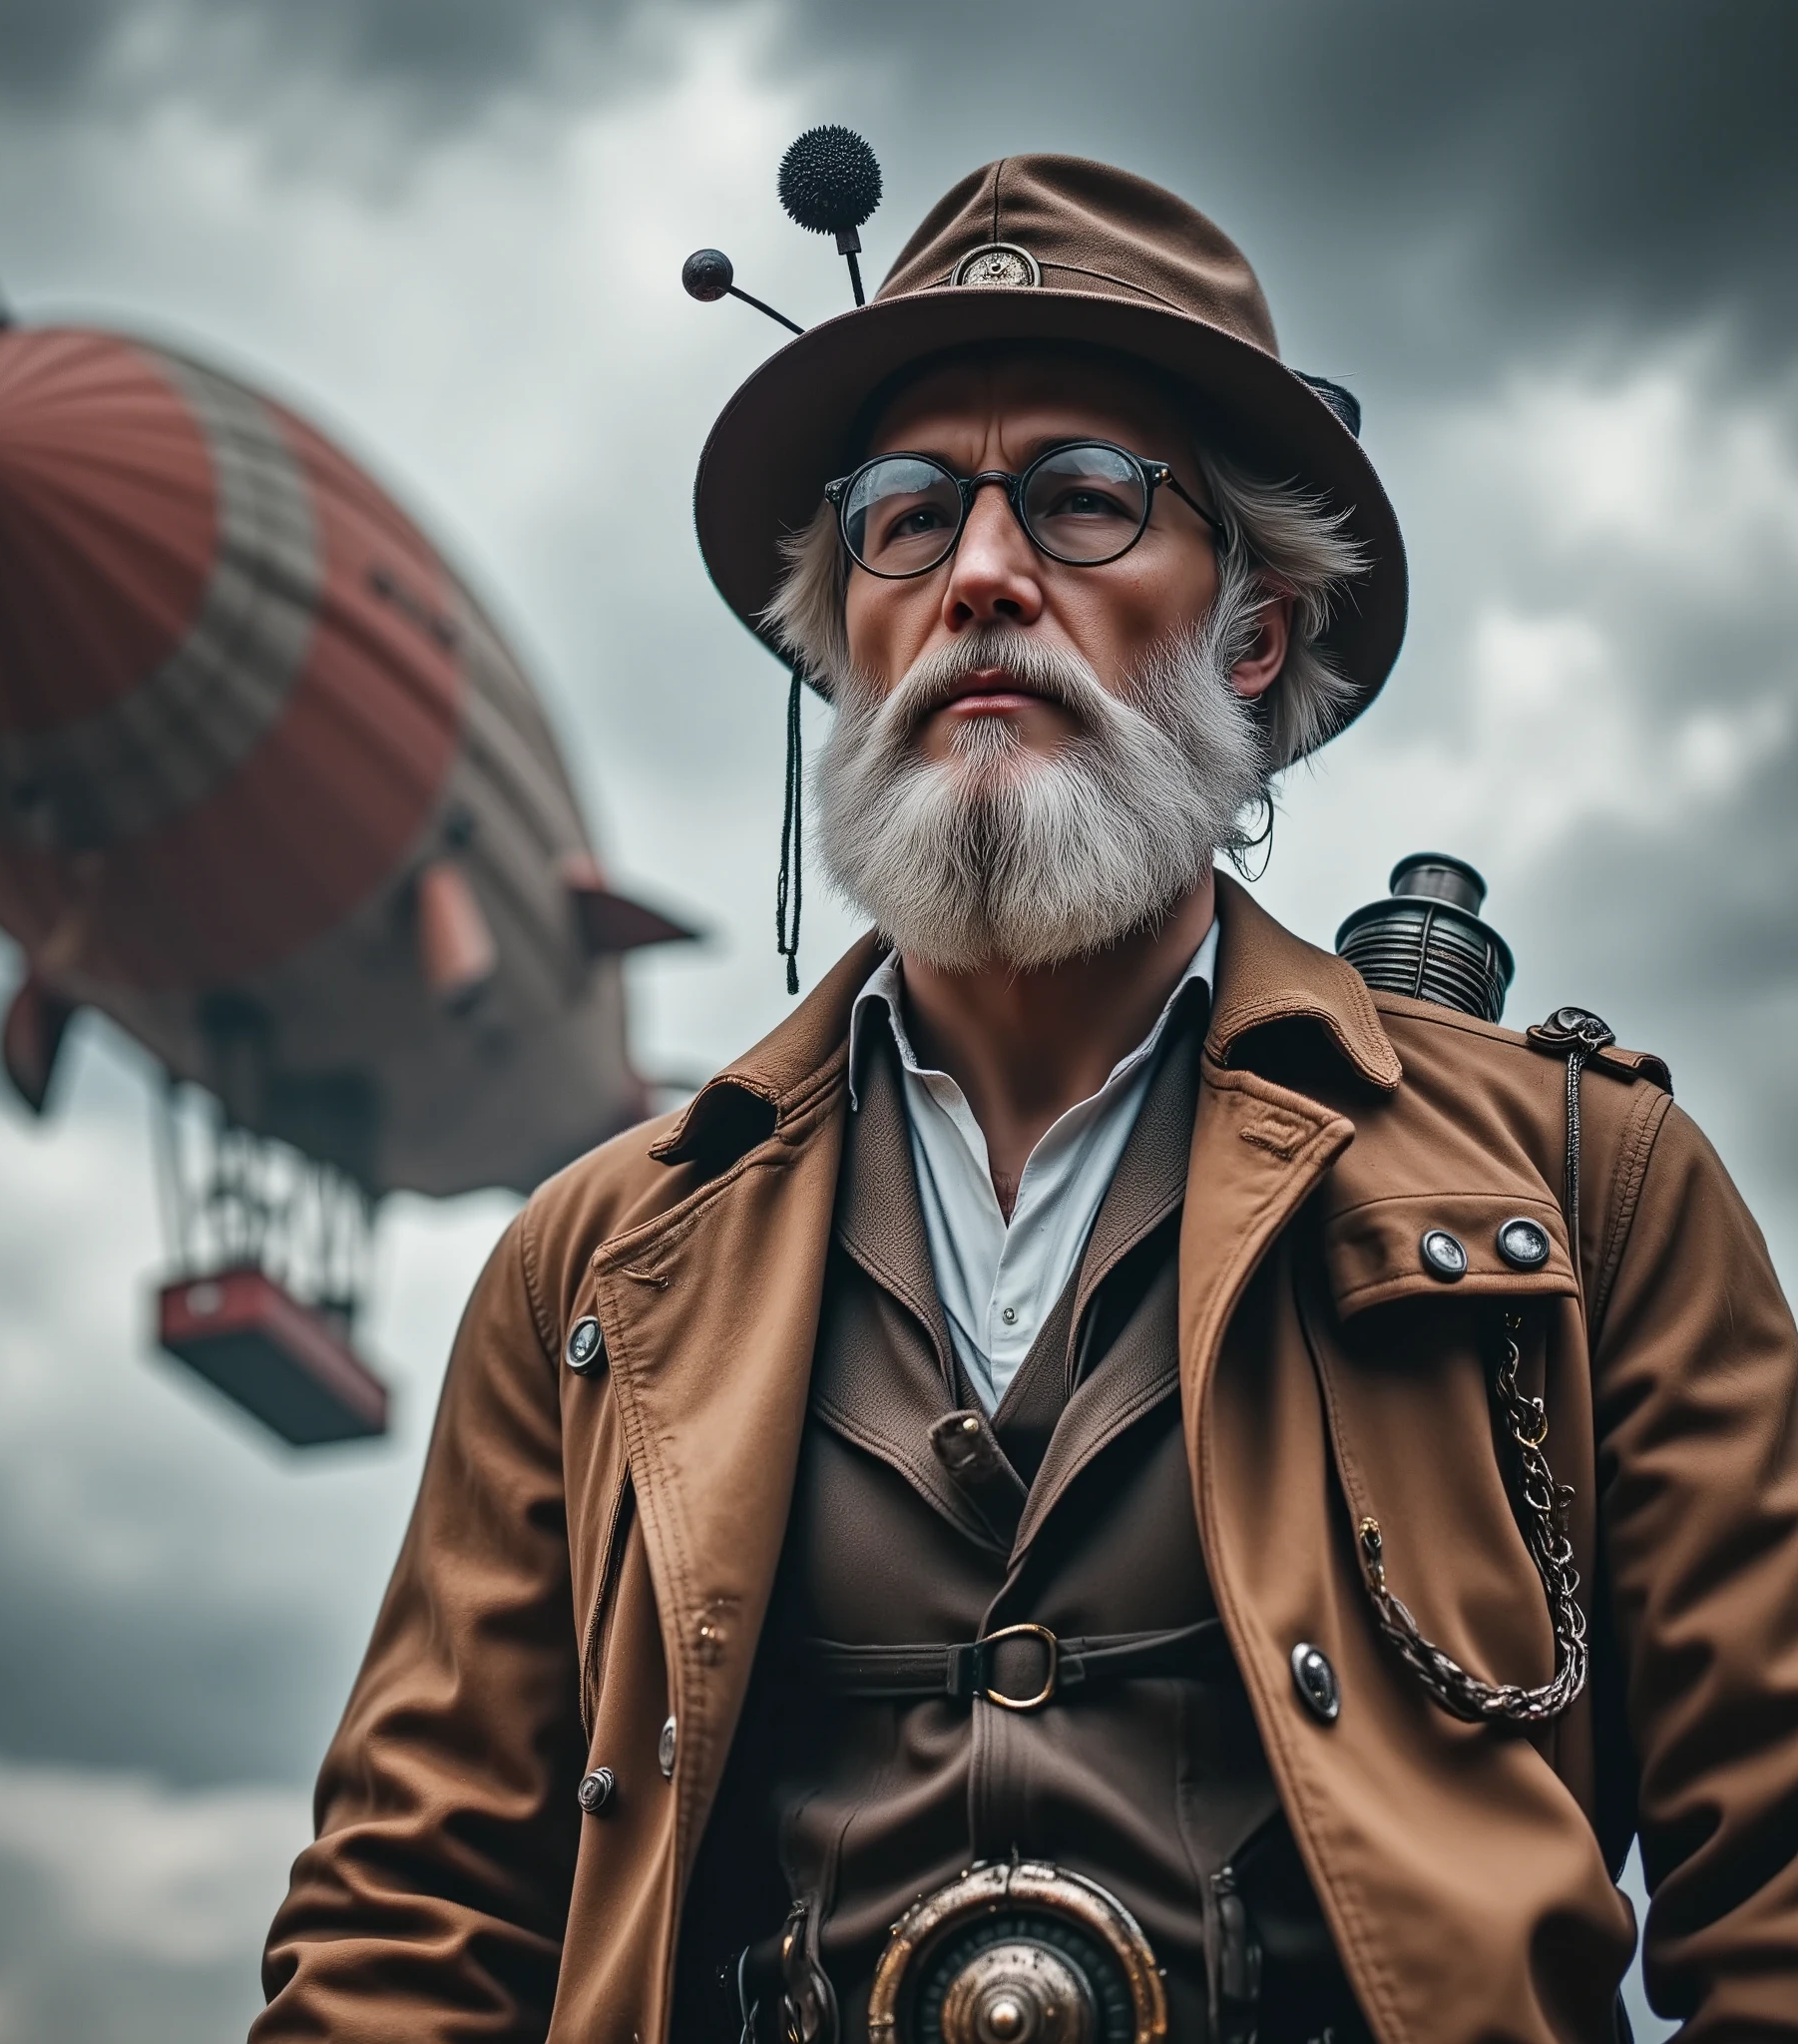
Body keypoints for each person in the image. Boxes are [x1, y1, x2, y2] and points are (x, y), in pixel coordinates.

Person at [252, 155, 1798, 2043]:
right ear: (844, 645)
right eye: (905, 519)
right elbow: (406, 1940)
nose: (981, 573)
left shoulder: (1589, 1187)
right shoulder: (583, 1277)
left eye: (1081, 500)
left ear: (1252, 636)